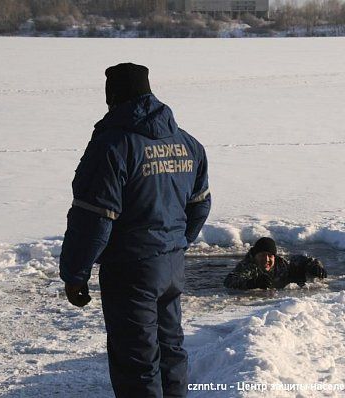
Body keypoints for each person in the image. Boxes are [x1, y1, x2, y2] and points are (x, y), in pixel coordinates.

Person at [59, 63, 211, 398]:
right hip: (170, 269)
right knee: (170, 352)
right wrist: (175, 244)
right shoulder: (187, 143)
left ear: (113, 95)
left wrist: (75, 273)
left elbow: (94, 218)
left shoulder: (113, 145)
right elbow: (200, 204)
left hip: (131, 270)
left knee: (137, 363)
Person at [223, 237, 327, 290]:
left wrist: (315, 266)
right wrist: (253, 283)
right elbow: (229, 281)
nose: (266, 259)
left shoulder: (281, 264)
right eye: (262, 255)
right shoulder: (248, 266)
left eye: (270, 255)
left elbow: (302, 259)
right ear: (255, 256)